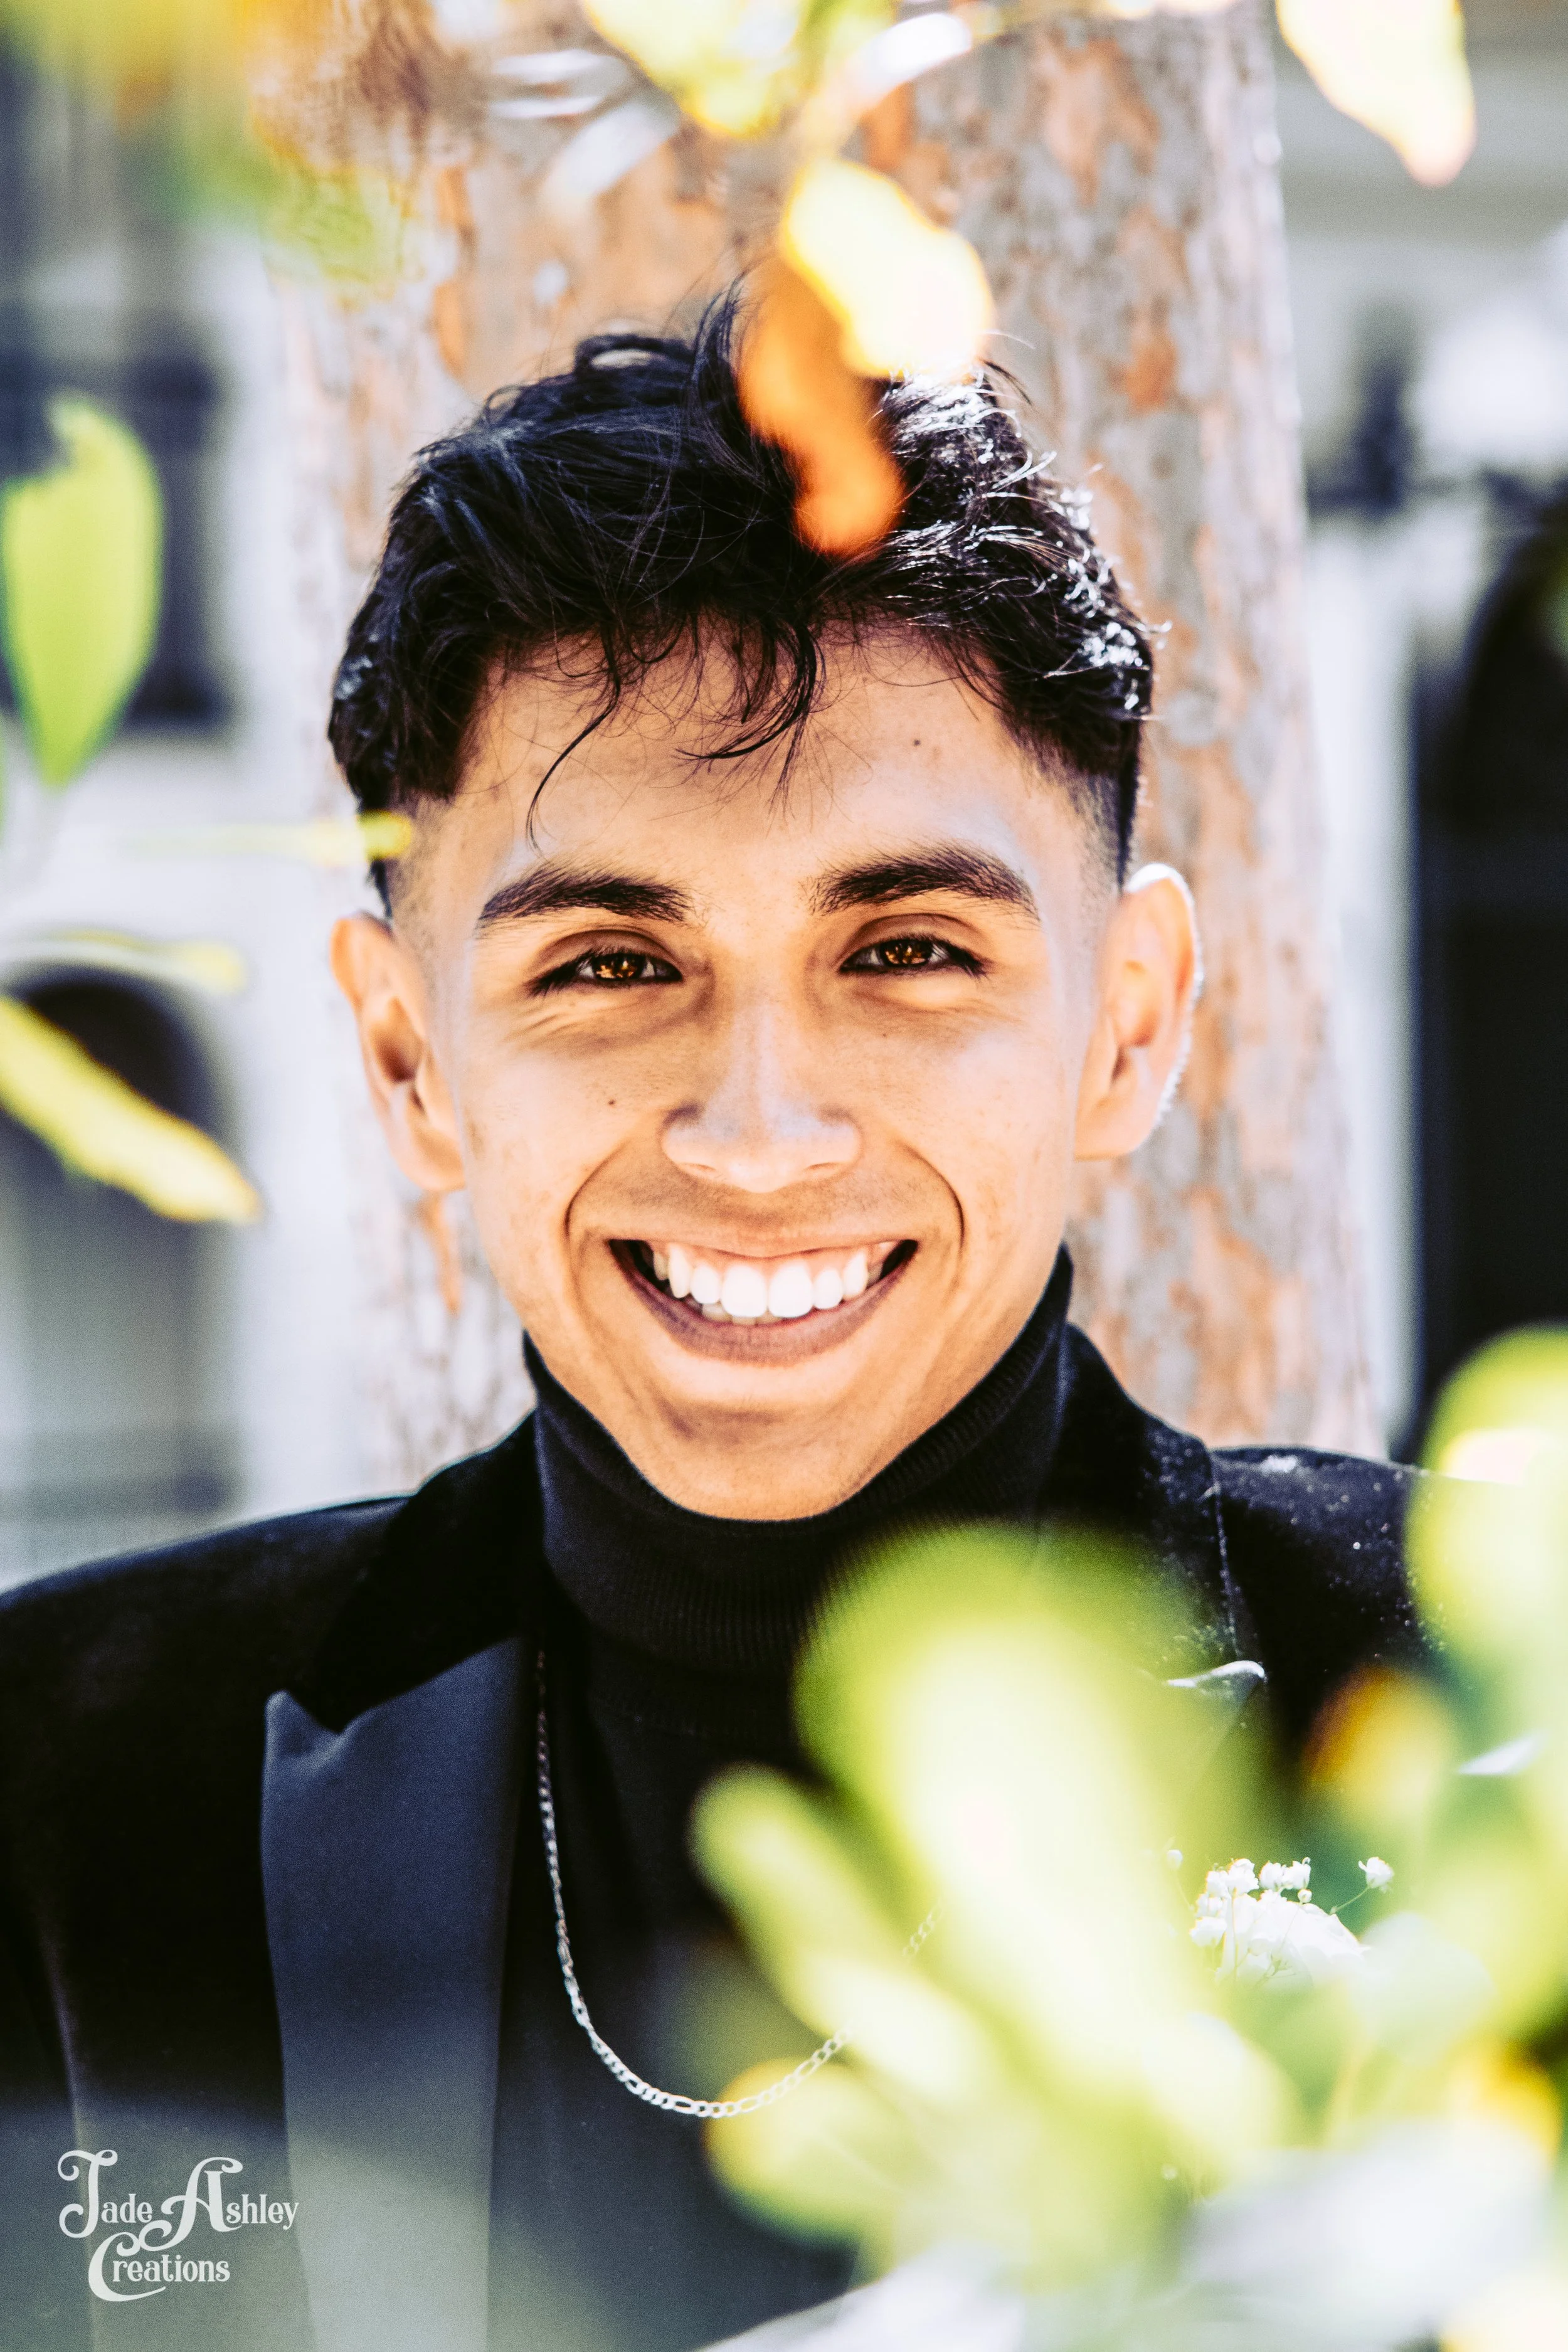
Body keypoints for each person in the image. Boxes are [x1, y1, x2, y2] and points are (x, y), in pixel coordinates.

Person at [0, 292, 1417, 2352]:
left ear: (1125, 1028)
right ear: (409, 1065)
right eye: (604, 965)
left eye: (909, 948)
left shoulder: (1465, 1719)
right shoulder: (74, 1789)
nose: (758, 1137)